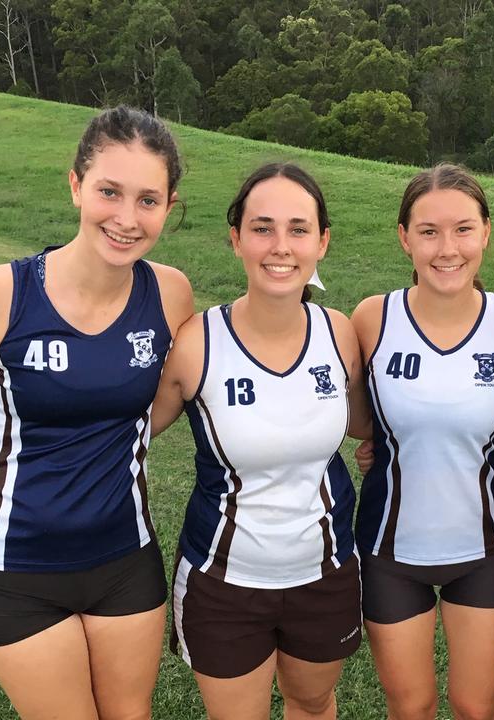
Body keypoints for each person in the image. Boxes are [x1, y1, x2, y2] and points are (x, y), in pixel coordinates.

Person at [0, 106, 194, 720]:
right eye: (109, 192)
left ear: (169, 207)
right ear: (75, 185)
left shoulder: (170, 294)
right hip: (15, 566)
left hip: (127, 555)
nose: (126, 218)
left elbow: (164, 399)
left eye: (148, 200)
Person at [150, 163, 369, 720]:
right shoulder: (198, 342)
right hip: (223, 581)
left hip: (325, 571)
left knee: (314, 703)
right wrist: (14, 443)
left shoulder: (339, 333)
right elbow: (124, 430)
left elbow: (368, 423)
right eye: (262, 227)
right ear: (236, 238)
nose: (281, 246)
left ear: (322, 241)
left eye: (299, 229)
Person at [351, 164, 494, 720]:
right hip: (390, 550)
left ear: (486, 233)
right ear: (405, 237)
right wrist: (387, 447)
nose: (446, 248)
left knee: (475, 708)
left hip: (484, 550)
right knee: (411, 707)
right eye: (429, 231)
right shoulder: (372, 318)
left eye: (462, 229)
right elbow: (362, 423)